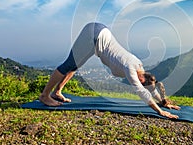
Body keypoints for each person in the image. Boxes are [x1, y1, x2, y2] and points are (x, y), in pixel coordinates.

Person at [39, 22, 180, 119]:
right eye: (140, 82)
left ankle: (57, 92)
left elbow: (150, 88)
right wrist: (160, 111)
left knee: (75, 65)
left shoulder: (140, 67)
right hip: (95, 35)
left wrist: (163, 101)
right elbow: (142, 91)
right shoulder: (130, 68)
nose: (137, 82)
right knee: (68, 64)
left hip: (99, 36)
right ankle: (45, 95)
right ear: (142, 79)